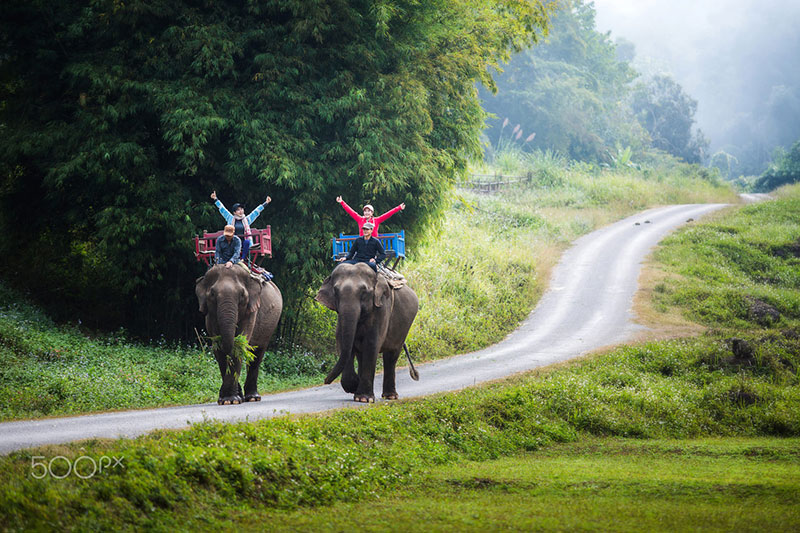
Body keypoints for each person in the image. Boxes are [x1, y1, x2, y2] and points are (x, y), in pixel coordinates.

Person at [210, 190, 271, 262]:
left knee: (247, 242)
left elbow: (256, 212)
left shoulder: (247, 220)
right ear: (234, 212)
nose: (241, 211)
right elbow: (222, 209)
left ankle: (243, 258)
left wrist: (266, 203)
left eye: (242, 209)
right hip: (233, 241)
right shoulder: (230, 218)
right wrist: (215, 199)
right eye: (238, 210)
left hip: (243, 242)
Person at [336, 196, 405, 238]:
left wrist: (399, 208)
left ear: (372, 213)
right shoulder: (360, 219)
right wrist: (342, 202)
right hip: (362, 242)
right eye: (365, 211)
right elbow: (351, 211)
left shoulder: (376, 220)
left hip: (373, 243)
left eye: (368, 211)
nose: (366, 212)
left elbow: (388, 214)